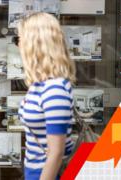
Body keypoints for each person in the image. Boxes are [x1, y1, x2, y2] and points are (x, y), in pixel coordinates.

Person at [17, 13, 76, 180]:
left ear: (34, 44)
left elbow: (56, 153)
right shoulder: (39, 84)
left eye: (20, 39)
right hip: (34, 170)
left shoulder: (54, 89)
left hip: (47, 173)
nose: (18, 45)